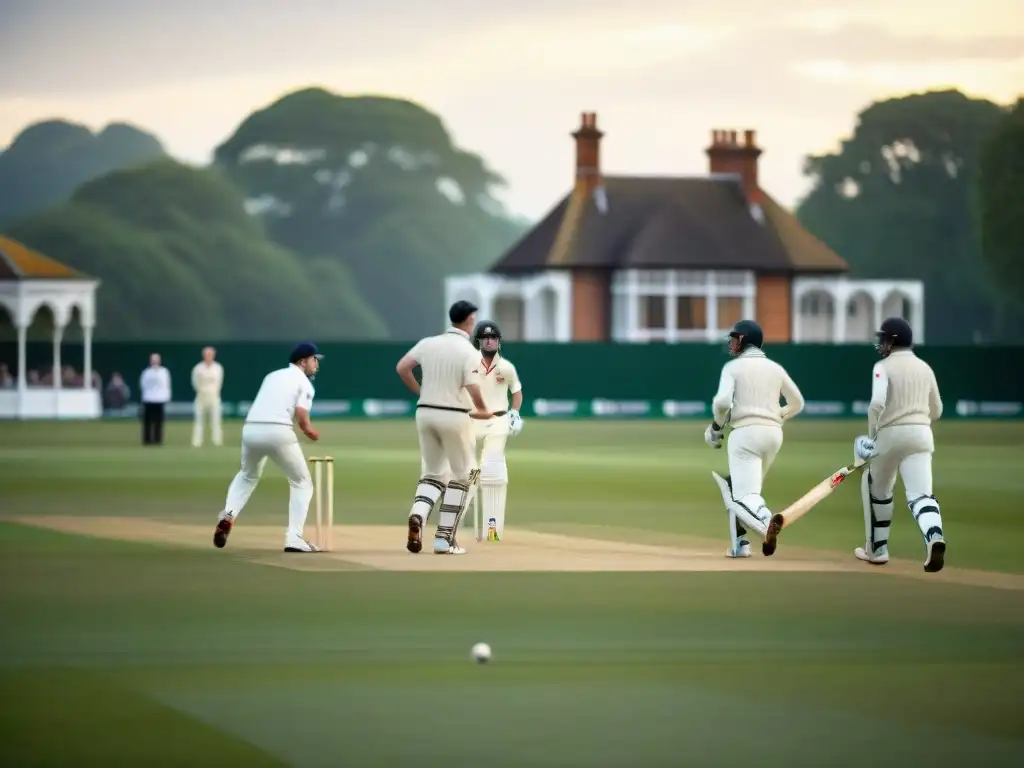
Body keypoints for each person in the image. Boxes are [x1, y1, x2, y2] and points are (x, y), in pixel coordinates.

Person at [396, 300, 493, 555]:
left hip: (425, 413)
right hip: (455, 416)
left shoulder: (428, 343)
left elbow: (402, 368)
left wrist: (421, 392)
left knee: (433, 474)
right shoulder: (469, 352)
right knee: (468, 476)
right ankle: (443, 540)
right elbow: (473, 387)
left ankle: (418, 514)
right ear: (470, 319)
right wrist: (482, 409)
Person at [851, 317, 946, 572]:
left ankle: (877, 549)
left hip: (890, 435)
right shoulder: (925, 368)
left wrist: (871, 438)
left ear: (891, 341)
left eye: (883, 339)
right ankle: (934, 536)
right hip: (922, 434)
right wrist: (917, 421)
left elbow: (876, 404)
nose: (880, 344)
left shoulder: (882, 367)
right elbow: (937, 410)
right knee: (921, 495)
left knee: (876, 488)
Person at [212, 342, 323, 553]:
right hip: (278, 431)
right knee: (302, 482)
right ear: (302, 362)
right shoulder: (305, 384)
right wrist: (311, 433)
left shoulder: (272, 376)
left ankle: (228, 514)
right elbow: (302, 418)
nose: (316, 363)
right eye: (314, 359)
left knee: (247, 475)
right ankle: (294, 538)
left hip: (251, 430)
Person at [707, 320, 805, 558]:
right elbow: (798, 403)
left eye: (734, 338)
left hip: (745, 434)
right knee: (746, 491)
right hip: (773, 435)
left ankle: (766, 521)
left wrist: (716, 428)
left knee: (740, 497)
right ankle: (740, 545)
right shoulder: (775, 368)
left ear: (743, 340)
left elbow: (721, 402)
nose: (731, 343)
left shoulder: (733, 368)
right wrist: (777, 415)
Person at [466, 320, 523, 541]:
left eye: (493, 338)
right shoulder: (469, 365)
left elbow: (516, 392)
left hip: (498, 420)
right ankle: (456, 522)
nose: (489, 341)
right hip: (471, 420)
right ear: (479, 341)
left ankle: (492, 530)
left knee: (492, 470)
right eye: (485, 337)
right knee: (467, 471)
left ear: (498, 342)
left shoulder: (506, 367)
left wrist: (515, 413)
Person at [191, 346, 225, 447]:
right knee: (199, 420)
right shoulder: (198, 368)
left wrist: (213, 392)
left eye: (211, 355)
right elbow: (195, 382)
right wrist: (201, 390)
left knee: (216, 420)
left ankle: (217, 441)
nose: (209, 357)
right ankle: (197, 441)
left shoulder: (218, 368)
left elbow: (219, 382)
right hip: (201, 396)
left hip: (214, 396)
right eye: (207, 355)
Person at [139, 353, 171, 446]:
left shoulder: (164, 372)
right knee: (147, 422)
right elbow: (143, 384)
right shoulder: (146, 372)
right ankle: (147, 440)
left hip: (160, 399)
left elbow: (167, 385)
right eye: (153, 360)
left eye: (156, 360)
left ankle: (158, 440)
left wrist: (166, 397)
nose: (155, 362)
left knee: (159, 421)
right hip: (148, 399)